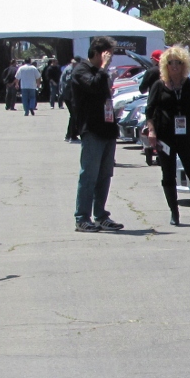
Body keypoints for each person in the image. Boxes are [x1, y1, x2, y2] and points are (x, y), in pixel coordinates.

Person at [145, 46, 190, 226]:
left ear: (184, 65)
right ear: (165, 65)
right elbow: (149, 110)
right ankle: (174, 213)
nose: (174, 66)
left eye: (178, 63)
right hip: (165, 136)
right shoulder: (159, 86)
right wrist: (151, 131)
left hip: (185, 136)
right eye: (171, 63)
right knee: (168, 175)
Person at [71, 36, 124, 232]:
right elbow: (93, 85)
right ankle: (82, 217)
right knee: (89, 175)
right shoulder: (81, 71)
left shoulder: (101, 73)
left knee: (104, 175)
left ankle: (100, 215)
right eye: (107, 53)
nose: (110, 58)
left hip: (107, 128)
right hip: (92, 129)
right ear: (97, 53)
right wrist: (103, 68)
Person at [59, 59, 80, 141]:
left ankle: (71, 135)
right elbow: (69, 81)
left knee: (74, 115)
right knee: (74, 115)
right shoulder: (70, 70)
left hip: (67, 95)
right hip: (69, 95)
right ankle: (71, 135)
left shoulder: (69, 68)